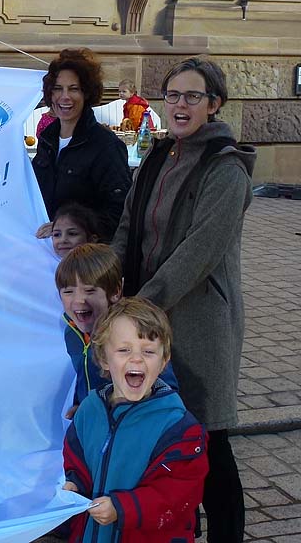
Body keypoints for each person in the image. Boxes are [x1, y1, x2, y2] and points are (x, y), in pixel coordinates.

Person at [112, 56, 256, 543]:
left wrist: (140, 306)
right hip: (148, 320)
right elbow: (128, 230)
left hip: (199, 322)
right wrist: (107, 282)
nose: (179, 105)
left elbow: (199, 251)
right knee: (167, 436)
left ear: (214, 104)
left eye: (193, 96)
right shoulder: (157, 156)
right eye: (172, 95)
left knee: (209, 439)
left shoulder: (226, 168)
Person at [62, 297, 208, 542]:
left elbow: (178, 492)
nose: (137, 359)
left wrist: (123, 507)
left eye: (148, 351)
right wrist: (74, 483)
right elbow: (76, 457)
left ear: (163, 361)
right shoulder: (89, 410)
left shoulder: (179, 428)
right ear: (104, 359)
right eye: (124, 350)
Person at [56, 243, 178, 417]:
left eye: (90, 290)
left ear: (115, 291)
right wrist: (80, 405)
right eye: (68, 292)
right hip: (98, 423)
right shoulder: (72, 333)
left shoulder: (133, 329)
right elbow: (84, 375)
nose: (79, 300)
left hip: (135, 424)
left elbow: (166, 386)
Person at [32, 48, 131, 242]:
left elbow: (119, 211)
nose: (65, 96)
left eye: (74, 89)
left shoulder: (106, 146)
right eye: (58, 88)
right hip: (43, 253)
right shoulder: (47, 140)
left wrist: (67, 229)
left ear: (87, 93)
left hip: (82, 259)